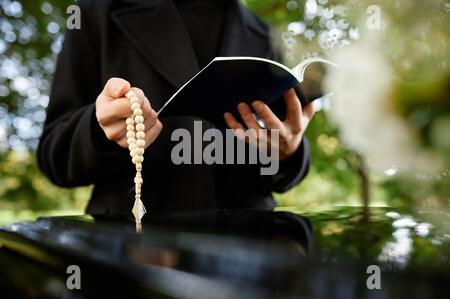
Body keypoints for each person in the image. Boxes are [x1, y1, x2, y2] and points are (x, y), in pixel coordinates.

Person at [37, 0, 315, 219]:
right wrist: (98, 131)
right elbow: (54, 156)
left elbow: (279, 162)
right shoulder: (94, 11)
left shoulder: (266, 35)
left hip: (253, 252)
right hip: (135, 247)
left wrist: (290, 151)